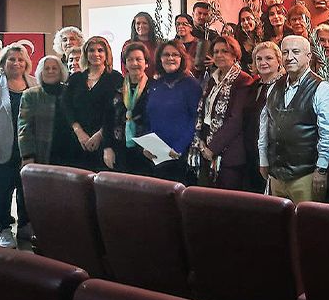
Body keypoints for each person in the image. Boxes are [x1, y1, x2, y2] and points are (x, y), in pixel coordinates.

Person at [258, 35, 329, 204]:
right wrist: (263, 160)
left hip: (307, 174)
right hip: (276, 173)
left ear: (308, 56)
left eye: (295, 52)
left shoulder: (322, 89)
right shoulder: (274, 87)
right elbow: (265, 127)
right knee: (278, 225)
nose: (290, 57)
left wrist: (322, 169)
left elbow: (328, 135)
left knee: (307, 226)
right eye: (285, 52)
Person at [0, 43, 37, 248]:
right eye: (11, 59)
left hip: (29, 149)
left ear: (26, 63)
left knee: (26, 190)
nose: (16, 63)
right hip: (2, 149)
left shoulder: (35, 83)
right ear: (3, 62)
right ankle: (3, 227)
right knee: (2, 190)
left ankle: (25, 225)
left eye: (20, 59)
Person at [191, 36, 253, 190]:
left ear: (235, 55)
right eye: (216, 51)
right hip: (206, 144)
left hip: (229, 152)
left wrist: (213, 148)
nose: (219, 55)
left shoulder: (243, 80)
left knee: (226, 203)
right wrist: (203, 144)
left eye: (224, 51)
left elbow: (235, 120)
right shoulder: (213, 79)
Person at [144, 41, 202, 184]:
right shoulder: (155, 84)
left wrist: (179, 147)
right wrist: (148, 146)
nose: (170, 58)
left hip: (180, 154)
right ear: (159, 59)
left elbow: (195, 119)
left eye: (175, 55)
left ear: (181, 59)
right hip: (156, 153)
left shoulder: (191, 84)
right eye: (166, 55)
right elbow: (150, 118)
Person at [63, 36, 124, 171]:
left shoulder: (116, 78)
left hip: (106, 142)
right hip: (77, 142)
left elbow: (117, 111)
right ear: (85, 54)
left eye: (100, 50)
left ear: (106, 54)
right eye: (91, 50)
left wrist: (100, 135)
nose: (96, 54)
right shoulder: (75, 79)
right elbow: (67, 107)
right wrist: (79, 132)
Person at [104, 42, 153, 176]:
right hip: (119, 149)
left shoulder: (154, 88)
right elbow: (108, 119)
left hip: (145, 150)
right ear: (125, 64)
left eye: (138, 59)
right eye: (130, 60)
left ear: (146, 63)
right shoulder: (116, 87)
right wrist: (107, 147)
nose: (134, 63)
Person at [18, 55, 75, 167]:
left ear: (61, 72)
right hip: (43, 152)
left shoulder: (70, 92)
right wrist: (27, 155)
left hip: (71, 152)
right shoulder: (30, 95)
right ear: (40, 72)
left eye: (54, 68)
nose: (51, 71)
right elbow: (24, 128)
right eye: (47, 68)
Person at [244, 41, 284, 193]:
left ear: (279, 61)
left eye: (268, 58)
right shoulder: (253, 86)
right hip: (250, 152)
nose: (263, 62)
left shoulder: (284, 86)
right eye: (259, 59)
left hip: (272, 155)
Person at [122, 12, 158, 79]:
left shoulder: (158, 45)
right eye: (138, 23)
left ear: (150, 25)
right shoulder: (128, 44)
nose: (141, 26)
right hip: (133, 84)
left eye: (144, 23)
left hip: (154, 83)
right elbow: (124, 68)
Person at [236, 6, 262, 72]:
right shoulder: (238, 41)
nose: (246, 22)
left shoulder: (264, 37)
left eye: (248, 19)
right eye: (243, 20)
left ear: (255, 20)